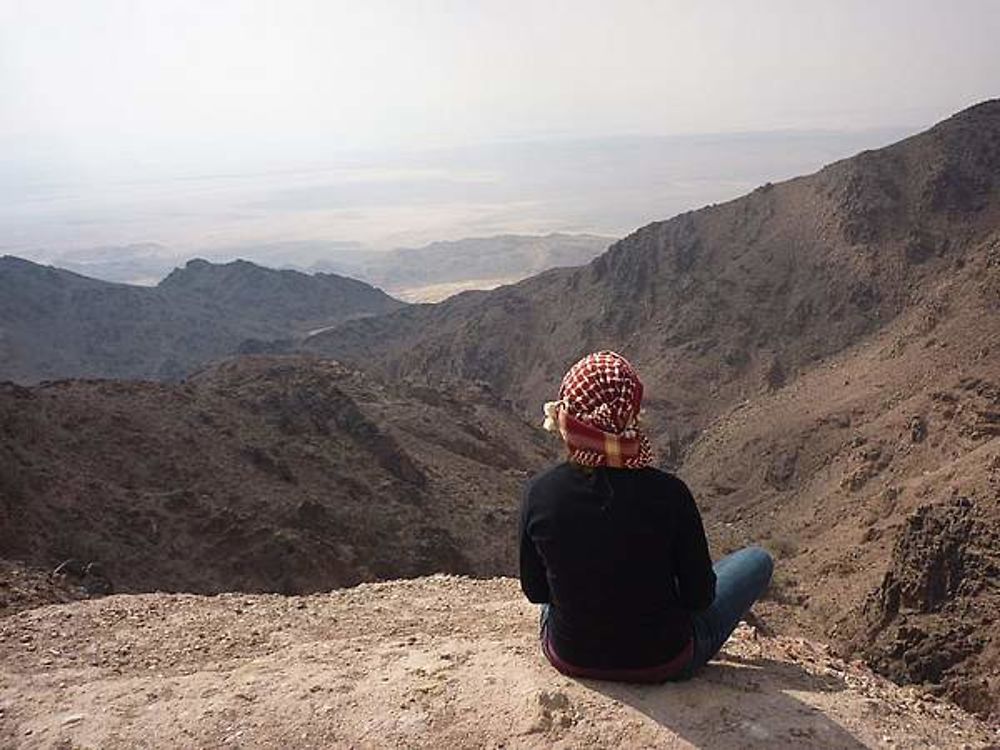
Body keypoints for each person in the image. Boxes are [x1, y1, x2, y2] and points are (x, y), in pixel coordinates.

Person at [519, 350, 773, 682]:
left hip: (571, 657)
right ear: (630, 415)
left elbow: (537, 593)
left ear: (567, 418)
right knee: (758, 560)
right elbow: (700, 599)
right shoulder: (670, 493)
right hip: (665, 660)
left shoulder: (539, 493)